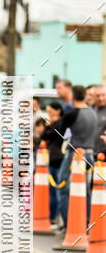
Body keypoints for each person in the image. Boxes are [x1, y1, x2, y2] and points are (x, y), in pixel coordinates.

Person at [56, 85, 97, 227]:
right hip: (89, 154)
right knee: (85, 190)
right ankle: (86, 223)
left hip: (74, 155)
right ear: (85, 96)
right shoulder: (93, 113)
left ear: (72, 96)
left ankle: (69, 224)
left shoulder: (71, 114)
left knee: (63, 187)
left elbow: (60, 134)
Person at [39, 102, 64, 230]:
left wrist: (51, 125)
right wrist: (49, 125)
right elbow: (43, 136)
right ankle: (52, 216)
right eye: (47, 112)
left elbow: (55, 136)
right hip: (51, 158)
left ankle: (56, 217)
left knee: (57, 190)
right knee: (52, 190)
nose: (49, 115)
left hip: (58, 158)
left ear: (58, 111)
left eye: (51, 112)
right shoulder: (52, 123)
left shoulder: (61, 123)